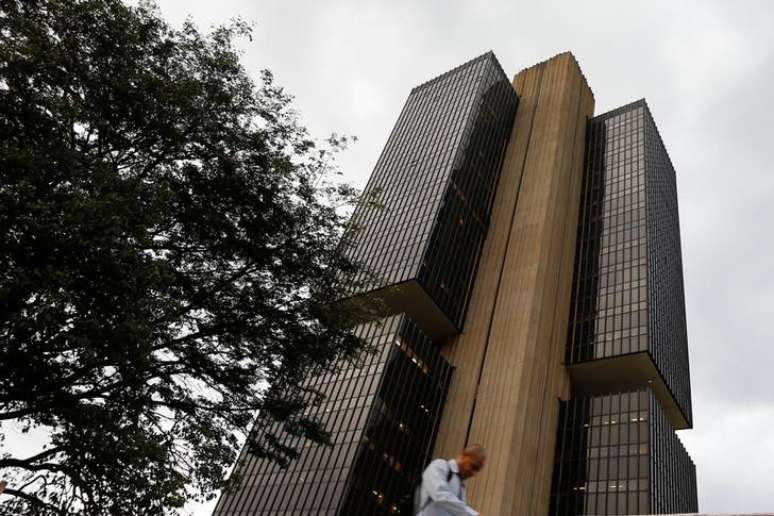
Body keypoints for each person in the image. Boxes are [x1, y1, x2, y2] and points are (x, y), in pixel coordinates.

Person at [416, 444, 486, 515]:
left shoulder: (461, 486)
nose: (474, 473)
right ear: (463, 456)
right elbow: (440, 495)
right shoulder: (439, 465)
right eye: (474, 466)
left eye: (477, 470)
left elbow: (459, 511)